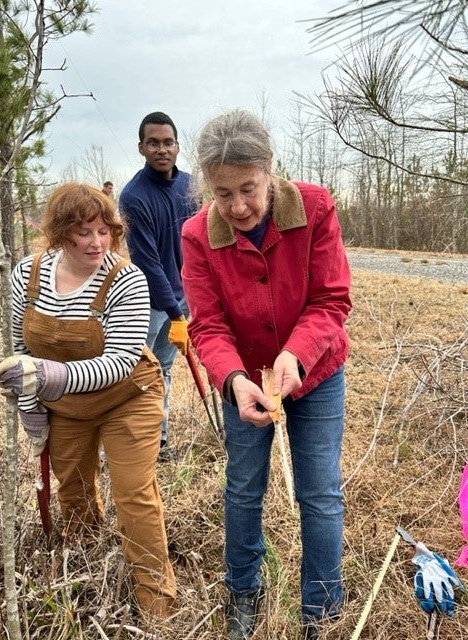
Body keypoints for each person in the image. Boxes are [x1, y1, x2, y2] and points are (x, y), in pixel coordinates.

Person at [181, 110, 352, 640]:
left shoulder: (316, 207)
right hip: (243, 382)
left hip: (316, 372)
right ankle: (243, 591)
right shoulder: (196, 236)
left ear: (270, 170)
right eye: (223, 192)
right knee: (243, 488)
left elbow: (331, 298)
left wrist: (296, 356)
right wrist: (232, 379)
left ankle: (321, 611)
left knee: (320, 492)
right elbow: (207, 325)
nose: (237, 206)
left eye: (249, 189)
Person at [0, 183, 176, 620]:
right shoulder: (28, 276)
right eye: (84, 232)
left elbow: (120, 361)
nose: (97, 243)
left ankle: (158, 604)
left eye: (105, 231)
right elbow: (21, 348)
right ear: (60, 234)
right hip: (67, 406)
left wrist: (51, 375)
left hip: (128, 398)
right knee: (73, 492)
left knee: (134, 495)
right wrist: (30, 405)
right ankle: (88, 574)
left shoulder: (126, 280)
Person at [119, 111, 197, 462]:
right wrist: (175, 310)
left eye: (168, 142)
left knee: (163, 370)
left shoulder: (191, 187)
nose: (162, 149)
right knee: (137, 371)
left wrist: (191, 300)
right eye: (153, 143)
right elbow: (147, 262)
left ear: (178, 146)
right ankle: (128, 443)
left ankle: (160, 444)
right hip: (150, 304)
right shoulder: (134, 196)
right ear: (141, 147)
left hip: (183, 298)